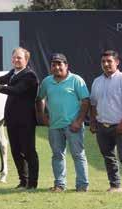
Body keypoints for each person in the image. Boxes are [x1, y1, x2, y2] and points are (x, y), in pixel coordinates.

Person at [0, 47, 39, 189]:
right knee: (15, 151)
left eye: (19, 58)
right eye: (14, 57)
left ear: (26, 60)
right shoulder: (13, 72)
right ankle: (23, 181)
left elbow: (16, 90)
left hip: (26, 120)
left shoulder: (30, 76)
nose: (15, 60)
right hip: (12, 119)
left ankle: (32, 183)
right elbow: (0, 79)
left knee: (29, 151)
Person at [36, 53, 90, 192]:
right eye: (54, 64)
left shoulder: (76, 80)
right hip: (54, 126)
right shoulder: (47, 81)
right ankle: (60, 185)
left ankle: (82, 186)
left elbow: (85, 101)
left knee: (78, 155)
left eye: (60, 64)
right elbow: (39, 99)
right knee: (57, 155)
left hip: (73, 126)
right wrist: (42, 117)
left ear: (66, 66)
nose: (57, 67)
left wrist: (78, 121)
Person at [90, 50, 122, 194]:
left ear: (117, 62)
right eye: (103, 62)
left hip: (121, 126)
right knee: (108, 157)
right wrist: (93, 122)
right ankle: (115, 186)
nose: (106, 64)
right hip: (102, 126)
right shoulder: (97, 81)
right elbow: (93, 104)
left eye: (109, 61)